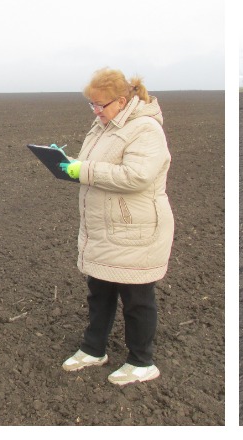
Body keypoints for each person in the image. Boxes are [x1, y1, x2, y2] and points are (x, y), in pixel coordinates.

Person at [59, 69, 174, 387]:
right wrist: (67, 164)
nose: (95, 111)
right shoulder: (102, 126)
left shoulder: (146, 129)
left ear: (121, 101)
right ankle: (93, 349)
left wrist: (84, 170)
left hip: (135, 228)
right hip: (103, 227)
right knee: (100, 292)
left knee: (137, 297)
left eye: (100, 104)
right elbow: (95, 165)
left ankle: (142, 362)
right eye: (92, 104)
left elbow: (137, 175)